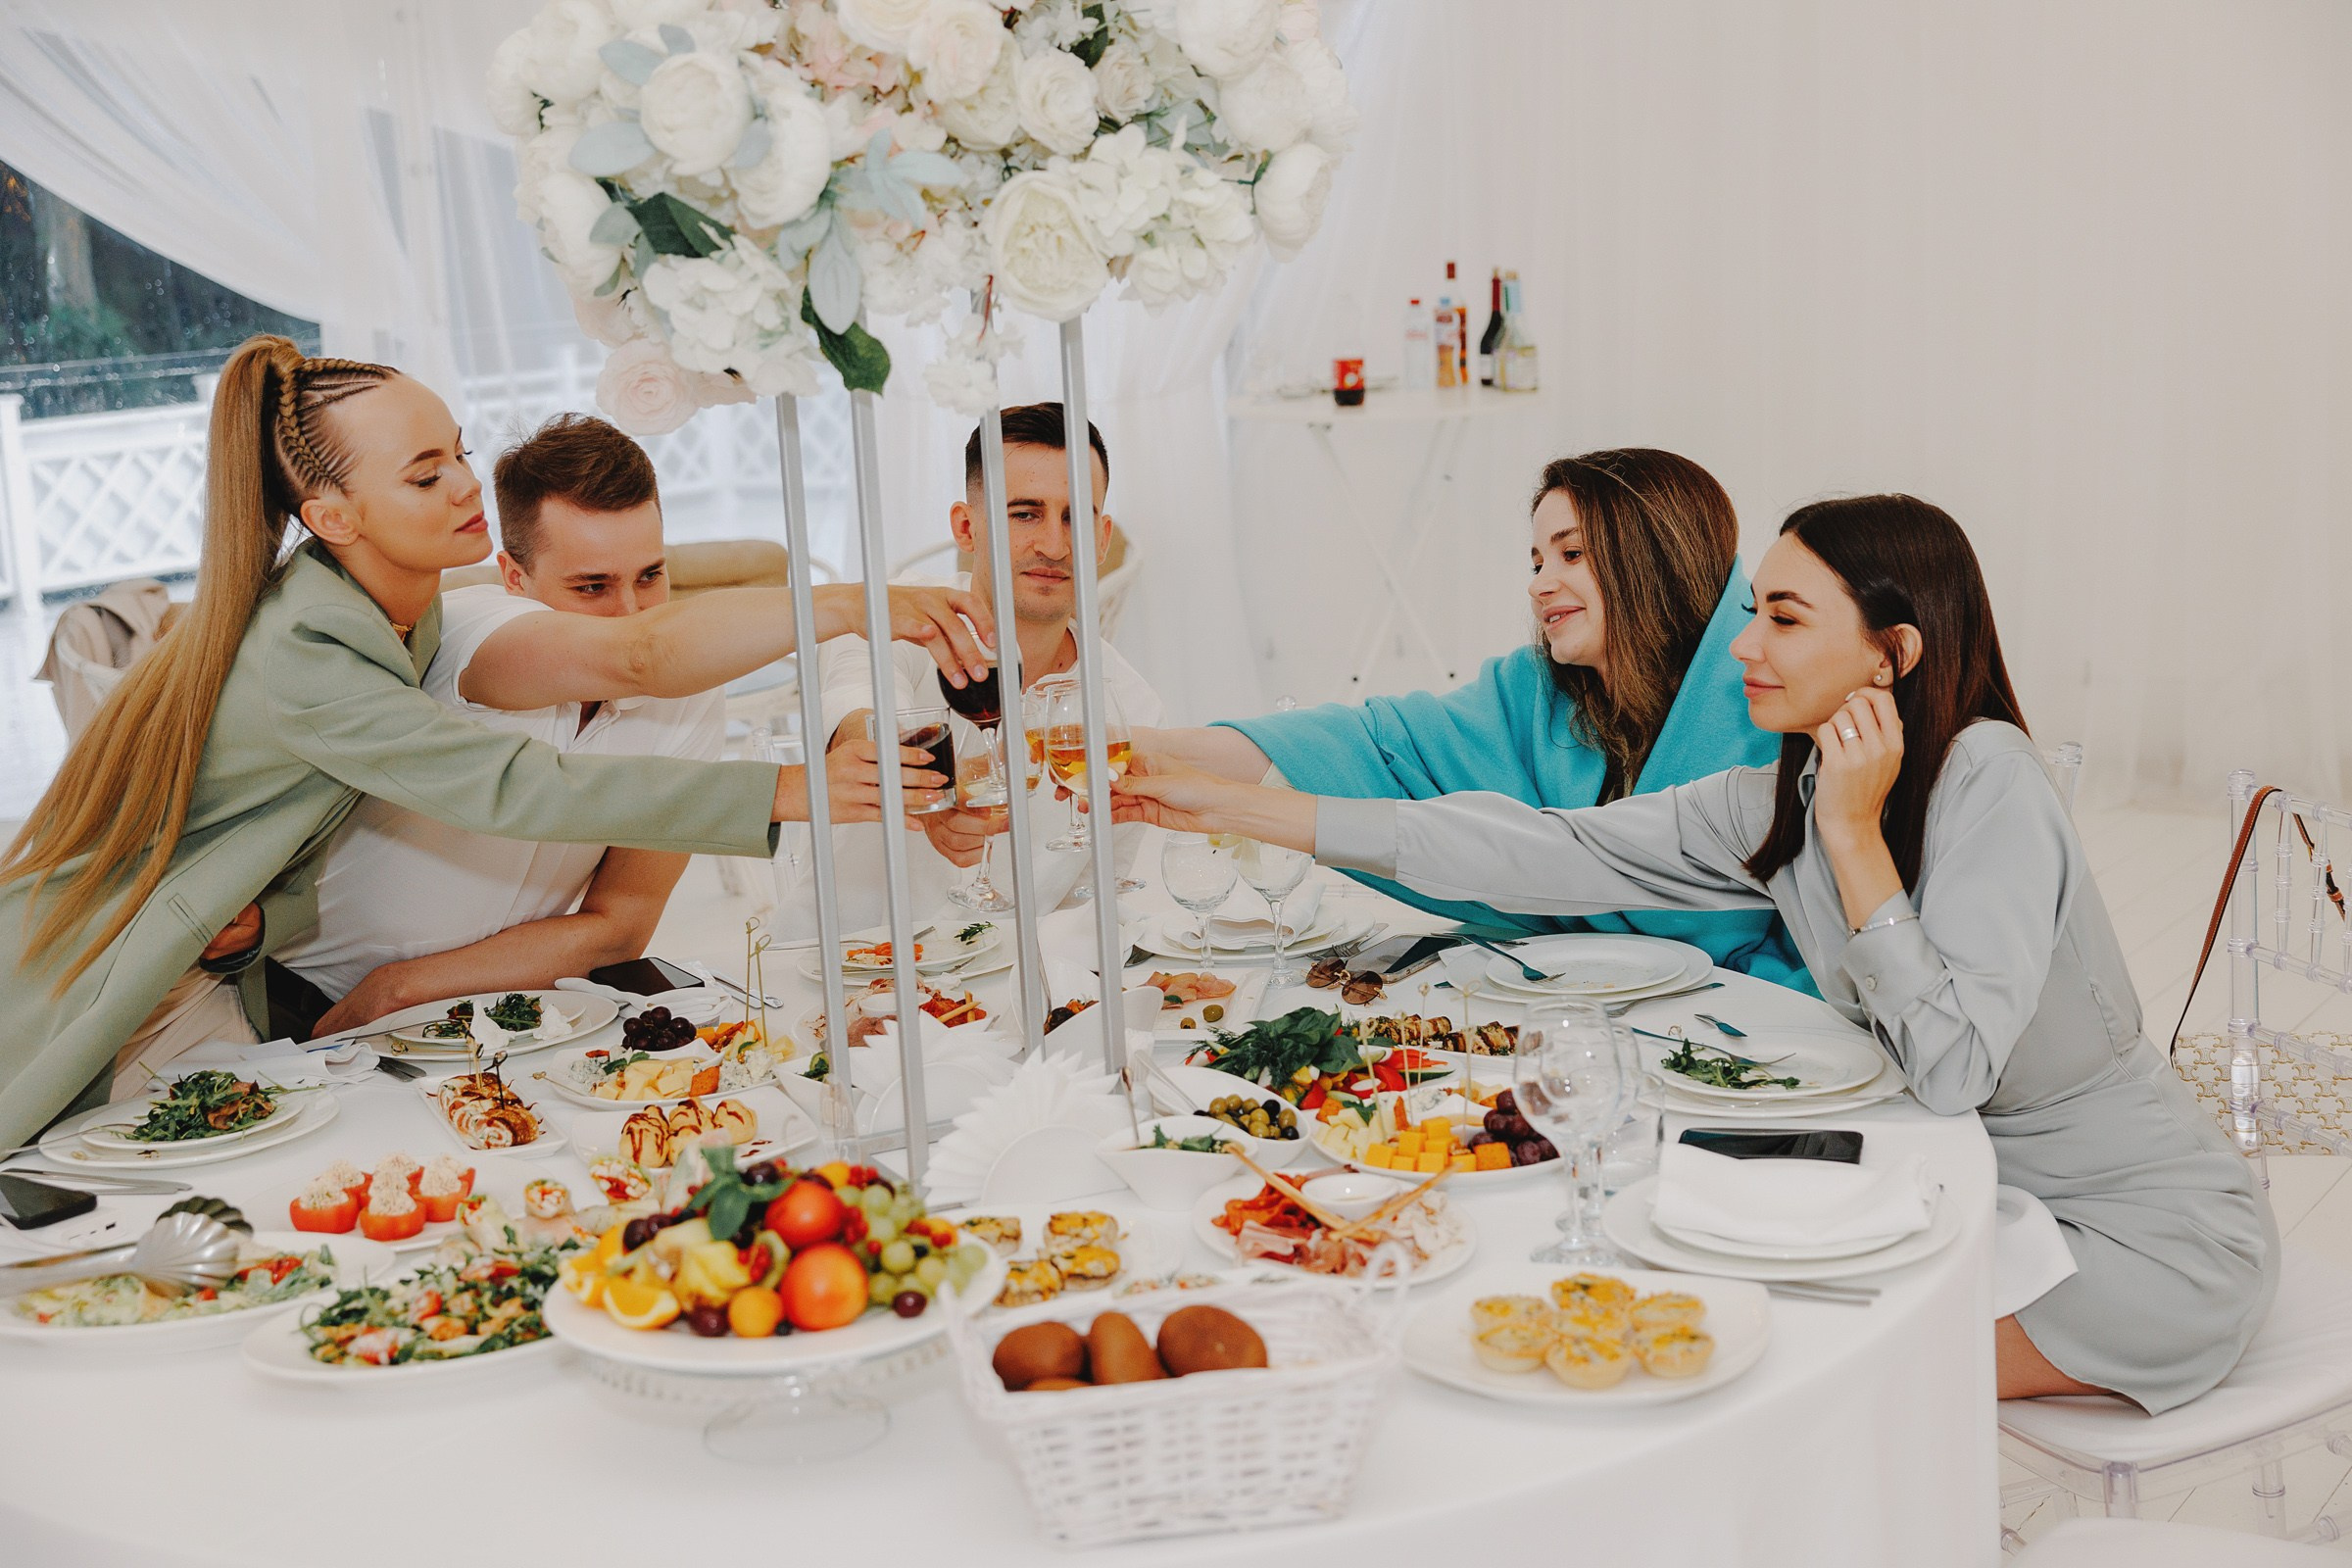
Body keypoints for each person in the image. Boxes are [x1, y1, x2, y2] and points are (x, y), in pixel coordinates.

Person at [1113, 493, 2277, 1414]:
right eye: (1750, 612)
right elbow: (1538, 850)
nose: (1743, 648)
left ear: (1892, 652)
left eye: (1781, 618)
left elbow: (1955, 1068)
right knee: (1703, 1306)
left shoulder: (1990, 783)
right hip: (1950, 1195)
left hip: (2145, 1243)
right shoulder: (1781, 790)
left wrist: (1858, 843)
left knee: (1806, 1375)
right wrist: (1239, 804)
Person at [0, 337, 987, 1146]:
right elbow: (524, 777)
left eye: (459, 454)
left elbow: (285, 814)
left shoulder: (393, 610)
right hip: (117, 974)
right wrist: (803, 747)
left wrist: (259, 912)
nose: (464, 486)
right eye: (426, 475)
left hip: (230, 961)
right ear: (331, 516)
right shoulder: (329, 646)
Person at [270, 414, 986, 1041]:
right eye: (591, 587)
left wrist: (404, 987)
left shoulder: (688, 700)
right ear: (513, 577)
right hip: (301, 1004)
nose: (632, 610)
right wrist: (855, 602)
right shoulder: (471, 632)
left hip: (481, 1016)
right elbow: (639, 656)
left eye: (651, 576)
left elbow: (619, 924)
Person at [1141, 448, 1809, 989]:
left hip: (1755, 1024)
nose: (1540, 581)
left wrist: (1219, 801)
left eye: (1571, 554)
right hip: (1575, 1012)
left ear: (1652, 556)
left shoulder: (1774, 704)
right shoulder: (1534, 691)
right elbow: (1374, 744)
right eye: (1537, 560)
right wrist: (1146, 750)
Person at [802, 402, 1164, 931]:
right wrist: (926, 790)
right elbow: (853, 709)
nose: (1054, 545)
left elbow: (1098, 905)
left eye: (1074, 518)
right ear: (967, 528)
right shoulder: (891, 628)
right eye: (1024, 514)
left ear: (1102, 538)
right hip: (847, 971)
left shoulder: (1130, 707)